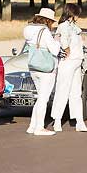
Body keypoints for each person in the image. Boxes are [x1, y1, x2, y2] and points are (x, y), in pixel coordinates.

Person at [23, 8, 62, 136]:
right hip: (46, 68)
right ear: (47, 20)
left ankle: (32, 126)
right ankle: (39, 127)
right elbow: (54, 50)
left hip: (34, 66)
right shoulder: (44, 31)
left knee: (40, 98)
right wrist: (57, 40)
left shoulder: (28, 29)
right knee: (43, 99)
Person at [51, 3, 87, 132]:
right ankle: (57, 119)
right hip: (68, 61)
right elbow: (64, 41)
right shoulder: (63, 26)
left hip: (76, 61)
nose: (78, 16)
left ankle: (79, 120)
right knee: (62, 91)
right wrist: (67, 51)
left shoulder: (73, 26)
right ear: (72, 13)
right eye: (77, 13)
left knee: (76, 93)